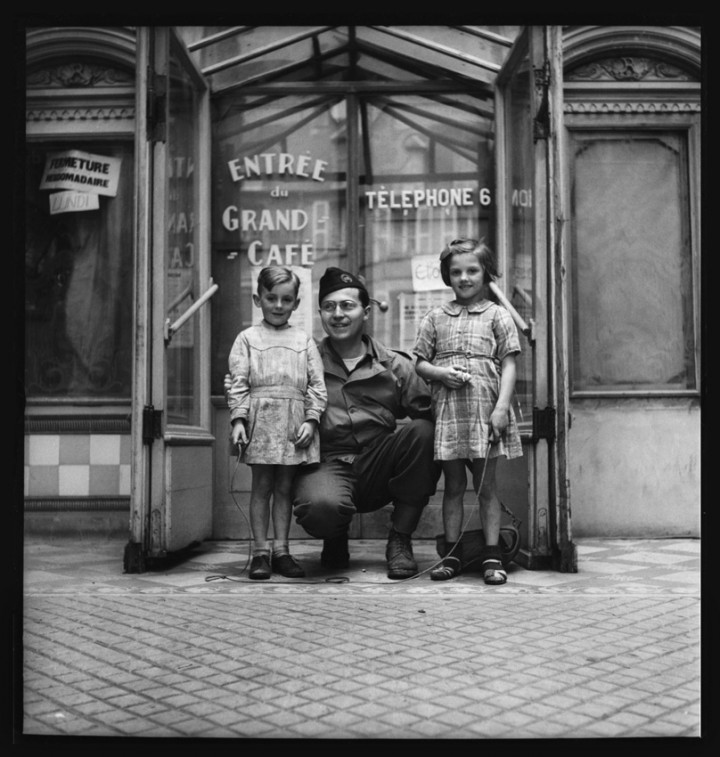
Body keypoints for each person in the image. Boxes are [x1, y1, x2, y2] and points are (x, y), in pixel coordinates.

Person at [291, 266, 440, 579]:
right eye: (329, 307)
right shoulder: (305, 363)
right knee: (320, 508)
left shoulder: (394, 364)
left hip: (379, 465)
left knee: (425, 433)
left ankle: (400, 539)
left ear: (366, 311)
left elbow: (430, 416)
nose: (338, 314)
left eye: (347, 305)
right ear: (320, 313)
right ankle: (334, 536)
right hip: (326, 462)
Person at [413, 238, 523, 585]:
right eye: (456, 271)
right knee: (455, 486)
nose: (464, 278)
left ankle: (493, 555)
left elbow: (508, 364)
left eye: (472, 270)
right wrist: (441, 374)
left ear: (485, 273)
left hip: (486, 410)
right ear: (447, 275)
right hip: (450, 412)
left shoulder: (498, 315)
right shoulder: (435, 316)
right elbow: (419, 364)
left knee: (487, 486)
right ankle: (451, 555)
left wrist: (501, 408)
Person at [227, 266, 327, 580]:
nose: (279, 306)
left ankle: (282, 550)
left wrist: (311, 420)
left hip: (293, 423)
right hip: (261, 421)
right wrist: (239, 419)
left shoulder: (303, 339)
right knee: (261, 487)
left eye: (286, 299)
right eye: (271, 298)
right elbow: (238, 382)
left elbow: (316, 385)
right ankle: (260, 552)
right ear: (258, 299)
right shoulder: (247, 338)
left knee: (284, 488)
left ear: (297, 303)